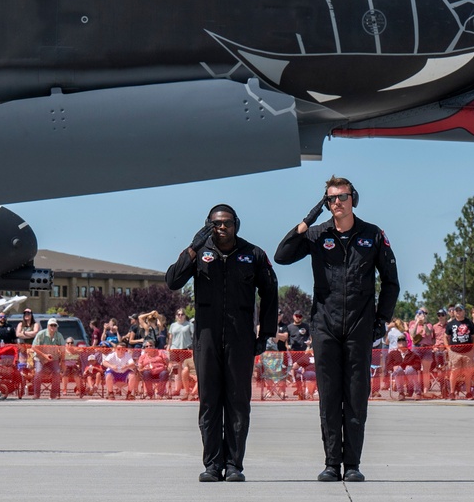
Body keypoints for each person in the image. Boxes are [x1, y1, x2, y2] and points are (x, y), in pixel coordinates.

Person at [274, 176, 399, 483]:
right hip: (325, 325)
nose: (338, 202)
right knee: (329, 397)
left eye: (343, 197)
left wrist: (380, 320)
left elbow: (391, 282)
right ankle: (332, 464)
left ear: (353, 198)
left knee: (356, 396)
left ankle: (353, 464)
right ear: (326, 203)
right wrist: (309, 218)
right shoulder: (317, 234)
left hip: (360, 326)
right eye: (331, 199)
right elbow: (282, 254)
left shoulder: (372, 234)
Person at [166, 204, 278, 483]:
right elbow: (172, 281)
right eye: (216, 224)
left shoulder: (253, 254)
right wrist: (192, 247)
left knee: (238, 402)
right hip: (206, 339)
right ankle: (213, 464)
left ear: (236, 224)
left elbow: (270, 293)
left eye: (227, 223)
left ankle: (234, 464)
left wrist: (265, 334)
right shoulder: (200, 254)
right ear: (208, 225)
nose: (222, 228)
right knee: (209, 402)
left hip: (241, 339)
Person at [31, 317, 65, 399]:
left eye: (54, 325)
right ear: (47, 326)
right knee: (38, 372)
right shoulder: (41, 334)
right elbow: (34, 347)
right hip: (40, 358)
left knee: (57, 373)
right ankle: (36, 394)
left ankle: (53, 394)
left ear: (57, 326)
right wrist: (44, 356)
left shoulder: (59, 335)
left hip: (53, 359)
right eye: (51, 325)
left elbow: (63, 350)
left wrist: (62, 362)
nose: (53, 327)